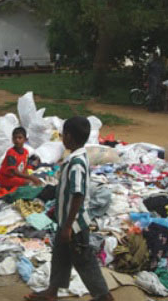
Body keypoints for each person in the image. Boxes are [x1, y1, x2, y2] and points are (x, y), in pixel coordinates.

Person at [25, 116, 114, 301]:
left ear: (69, 137)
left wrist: (67, 226)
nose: (61, 139)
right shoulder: (75, 158)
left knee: (83, 260)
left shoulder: (76, 164)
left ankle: (103, 296)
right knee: (60, 255)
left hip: (74, 225)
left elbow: (78, 194)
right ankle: (52, 291)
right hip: (65, 220)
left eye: (63, 135)